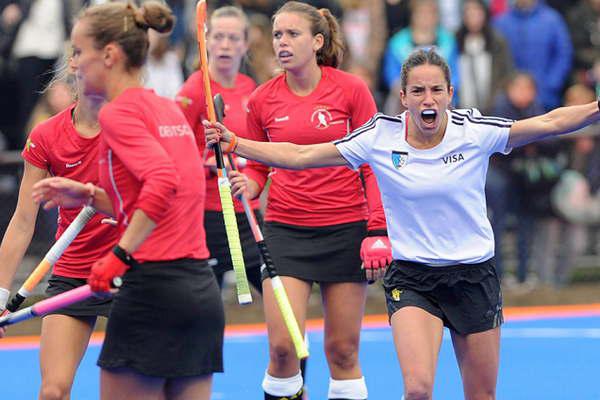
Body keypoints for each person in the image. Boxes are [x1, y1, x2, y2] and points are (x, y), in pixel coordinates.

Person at [204, 48, 600, 400]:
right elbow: (302, 155)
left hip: (473, 275)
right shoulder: (379, 137)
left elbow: (549, 123)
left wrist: (596, 108)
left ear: (450, 94)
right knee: (417, 388)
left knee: (481, 393)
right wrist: (237, 143)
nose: (428, 99)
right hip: (412, 278)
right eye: (418, 91)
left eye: (436, 91)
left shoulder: (474, 131)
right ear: (403, 98)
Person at [30, 2, 224, 400]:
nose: (76, 64)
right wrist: (90, 196)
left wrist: (119, 254)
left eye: (80, 52)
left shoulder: (118, 115)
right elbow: (171, 199)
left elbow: (162, 182)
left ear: (110, 55)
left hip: (150, 290)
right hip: (199, 293)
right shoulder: (167, 109)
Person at [205, 3, 389, 400]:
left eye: (292, 34)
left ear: (318, 41)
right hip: (286, 231)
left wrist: (377, 228)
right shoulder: (262, 99)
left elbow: (373, 165)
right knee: (283, 348)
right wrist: (249, 185)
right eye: (277, 35)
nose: (282, 43)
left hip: (345, 229)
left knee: (342, 351)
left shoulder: (351, 89)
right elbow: (258, 166)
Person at [0, 67, 120, 400]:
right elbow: (23, 220)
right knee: (53, 391)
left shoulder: (132, 128)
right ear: (74, 69)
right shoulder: (47, 135)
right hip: (73, 271)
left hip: (130, 268)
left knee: (133, 389)